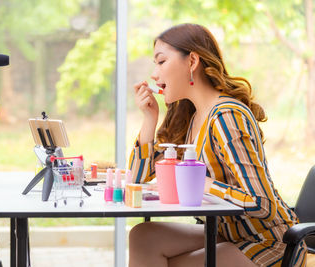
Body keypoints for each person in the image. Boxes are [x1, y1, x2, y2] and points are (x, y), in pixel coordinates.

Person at [128, 23, 307, 267]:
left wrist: (206, 185)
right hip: (230, 234)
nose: (154, 75)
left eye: (161, 62)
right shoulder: (191, 118)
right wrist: (149, 120)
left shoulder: (226, 116)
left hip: (268, 243)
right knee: (143, 237)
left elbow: (262, 204)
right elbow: (135, 181)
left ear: (192, 61)